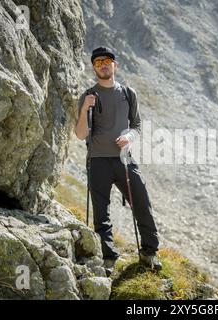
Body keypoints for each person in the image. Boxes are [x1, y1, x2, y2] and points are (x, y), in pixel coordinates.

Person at [74, 47, 162, 274]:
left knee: (142, 202)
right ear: (94, 68)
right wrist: (85, 109)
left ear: (115, 65)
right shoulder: (88, 96)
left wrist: (129, 137)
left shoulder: (128, 93)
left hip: (124, 159)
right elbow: (80, 134)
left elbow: (137, 125)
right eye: (97, 62)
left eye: (107, 61)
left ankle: (149, 253)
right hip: (97, 161)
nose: (103, 64)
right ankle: (109, 258)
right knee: (101, 213)